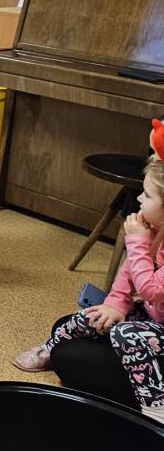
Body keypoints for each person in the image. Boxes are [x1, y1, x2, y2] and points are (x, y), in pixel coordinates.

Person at [13, 155, 164, 424]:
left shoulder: (146, 235)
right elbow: (130, 271)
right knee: (88, 317)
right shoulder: (155, 229)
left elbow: (151, 290)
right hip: (152, 318)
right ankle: (49, 348)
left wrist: (137, 242)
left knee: (124, 334)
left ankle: (155, 406)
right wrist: (116, 302)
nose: (139, 199)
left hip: (156, 330)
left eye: (148, 195)